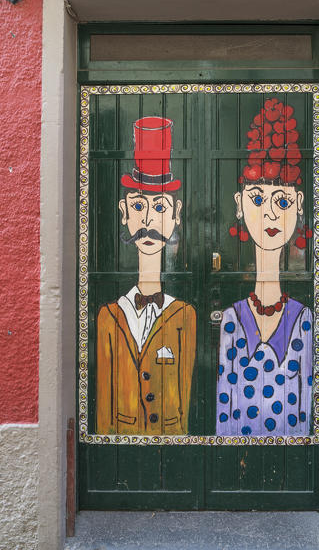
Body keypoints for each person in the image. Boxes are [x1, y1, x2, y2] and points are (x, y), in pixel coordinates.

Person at [216, 99, 313, 437]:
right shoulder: (231, 319)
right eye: (257, 198)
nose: (271, 214)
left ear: (298, 206)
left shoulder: (304, 321)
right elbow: (223, 411)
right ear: (239, 204)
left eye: (282, 201)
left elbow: (306, 404)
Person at [96, 116, 196, 436]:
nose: (149, 218)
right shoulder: (109, 317)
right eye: (139, 206)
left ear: (177, 214)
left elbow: (186, 398)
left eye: (161, 207)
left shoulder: (185, 316)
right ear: (124, 212)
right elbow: (103, 405)